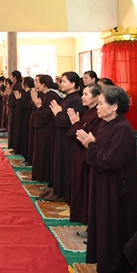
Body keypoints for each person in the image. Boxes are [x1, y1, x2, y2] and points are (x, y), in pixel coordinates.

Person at [76, 85, 137, 273]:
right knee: (103, 225)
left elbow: (110, 160)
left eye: (101, 103)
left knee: (113, 227)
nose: (97, 107)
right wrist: (92, 144)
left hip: (116, 189)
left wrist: (90, 146)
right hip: (103, 184)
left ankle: (114, 266)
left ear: (114, 106)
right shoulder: (106, 124)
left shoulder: (122, 129)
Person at [67, 83, 103, 227]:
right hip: (81, 153)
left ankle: (88, 221)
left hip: (88, 155)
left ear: (96, 97)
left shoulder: (97, 115)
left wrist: (76, 124)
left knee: (86, 187)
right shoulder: (88, 112)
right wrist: (76, 124)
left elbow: (87, 135)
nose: (82, 97)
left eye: (86, 94)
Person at [46, 71, 84, 202]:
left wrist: (57, 114)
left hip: (69, 139)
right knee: (60, 162)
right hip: (61, 136)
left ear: (73, 84)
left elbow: (69, 122)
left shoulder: (76, 100)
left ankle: (65, 193)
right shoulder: (67, 98)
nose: (61, 84)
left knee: (66, 164)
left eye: (64, 81)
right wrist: (57, 114)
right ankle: (58, 190)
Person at [32, 75, 61, 183]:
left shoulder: (52, 96)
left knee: (46, 153)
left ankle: (47, 178)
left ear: (43, 84)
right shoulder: (46, 95)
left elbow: (46, 115)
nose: (35, 83)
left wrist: (39, 106)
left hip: (49, 130)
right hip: (44, 129)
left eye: (37, 81)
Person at [17, 76, 34, 165]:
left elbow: (22, 107)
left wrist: (18, 99)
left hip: (26, 119)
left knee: (26, 138)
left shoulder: (29, 94)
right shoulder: (26, 93)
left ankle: (28, 158)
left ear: (25, 84)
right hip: (25, 118)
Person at [7, 70, 23, 151]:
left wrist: (9, 95)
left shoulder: (18, 86)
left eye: (12, 77)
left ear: (15, 77)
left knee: (15, 127)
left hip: (16, 109)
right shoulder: (15, 85)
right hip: (13, 109)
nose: (11, 78)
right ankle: (13, 146)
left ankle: (16, 146)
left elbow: (15, 98)